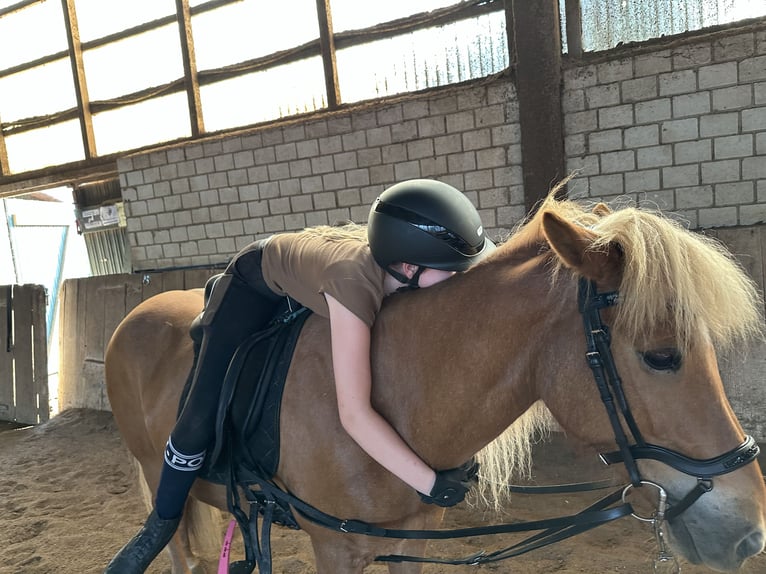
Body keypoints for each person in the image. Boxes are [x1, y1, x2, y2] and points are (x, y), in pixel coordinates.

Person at [105, 179, 495, 573]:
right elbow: (354, 415)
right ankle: (160, 524)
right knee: (198, 415)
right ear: (409, 267)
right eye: (452, 270)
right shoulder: (354, 288)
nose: (460, 279)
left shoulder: (405, 282)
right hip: (255, 281)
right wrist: (429, 484)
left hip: (310, 273)